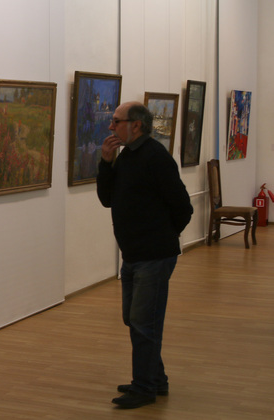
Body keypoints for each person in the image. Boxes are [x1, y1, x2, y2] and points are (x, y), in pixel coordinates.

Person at [96, 101, 193, 409]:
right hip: (133, 255)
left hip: (154, 256)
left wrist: (163, 237)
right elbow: (107, 199)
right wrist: (106, 162)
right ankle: (156, 378)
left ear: (136, 125)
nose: (111, 126)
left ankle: (144, 387)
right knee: (134, 318)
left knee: (143, 322)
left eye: (116, 121)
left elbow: (183, 207)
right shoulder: (126, 157)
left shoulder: (156, 157)